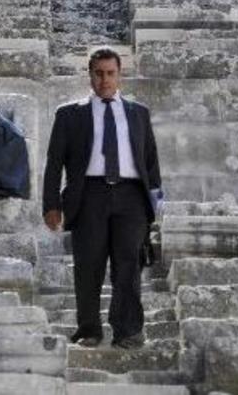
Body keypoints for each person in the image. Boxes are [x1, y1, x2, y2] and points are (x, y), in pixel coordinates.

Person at [42, 47, 162, 350]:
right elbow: (54, 162)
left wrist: (155, 207)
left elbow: (150, 163)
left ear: (119, 75)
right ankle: (89, 329)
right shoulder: (69, 114)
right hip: (88, 195)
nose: (105, 80)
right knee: (88, 264)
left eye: (110, 73)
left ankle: (128, 331)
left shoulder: (139, 113)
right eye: (99, 73)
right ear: (90, 74)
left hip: (131, 196)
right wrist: (51, 204)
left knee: (128, 266)